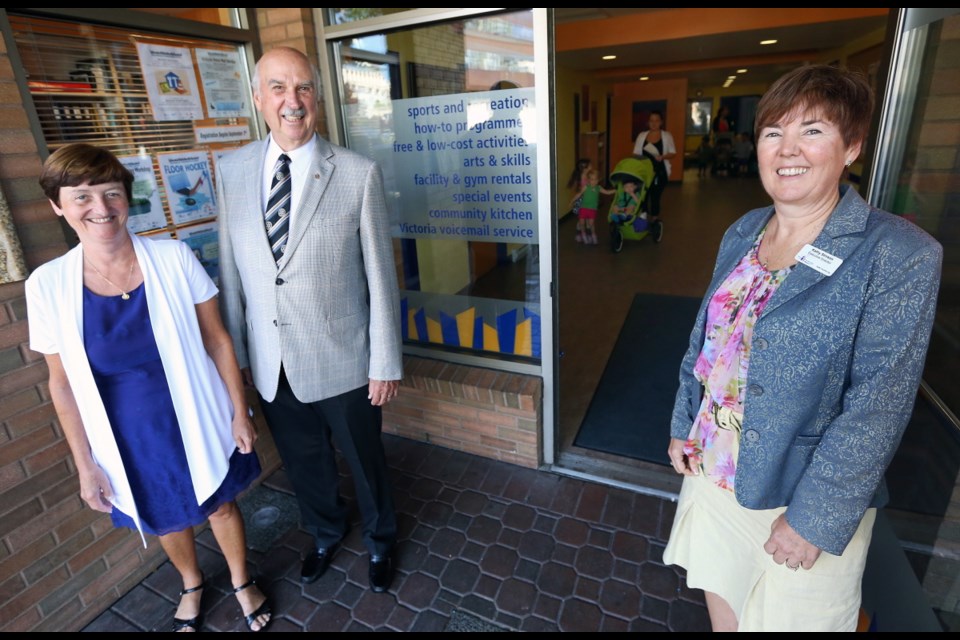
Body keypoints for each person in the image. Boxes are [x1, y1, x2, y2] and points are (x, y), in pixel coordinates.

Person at [663, 64, 942, 632]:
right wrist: (684, 421)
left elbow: (878, 405)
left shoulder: (899, 252)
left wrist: (815, 519)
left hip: (799, 493)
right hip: (714, 466)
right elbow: (708, 338)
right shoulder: (744, 229)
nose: (788, 149)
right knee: (724, 600)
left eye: (812, 131)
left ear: (853, 147)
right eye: (773, 132)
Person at [25, 144, 272, 632]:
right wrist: (85, 464)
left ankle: (242, 580)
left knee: (220, 503)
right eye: (81, 197)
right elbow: (63, 385)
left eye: (111, 193)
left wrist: (239, 412)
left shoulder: (172, 257)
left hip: (197, 410)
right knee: (164, 515)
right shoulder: (46, 285)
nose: (100, 208)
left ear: (126, 198)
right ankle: (192, 582)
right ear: (58, 205)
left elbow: (218, 340)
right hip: (128, 433)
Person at [216, 47, 403, 594]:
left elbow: (381, 281)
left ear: (317, 99)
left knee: (365, 462)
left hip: (345, 358)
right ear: (258, 98)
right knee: (303, 463)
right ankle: (325, 530)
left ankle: (381, 539)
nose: (291, 101)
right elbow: (232, 275)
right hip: (272, 363)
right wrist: (239, 362)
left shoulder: (357, 173)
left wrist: (384, 361)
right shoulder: (231, 171)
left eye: (302, 89)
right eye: (277, 87)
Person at [631, 110, 673, 241]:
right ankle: (643, 220)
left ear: (661, 122)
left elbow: (673, 153)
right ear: (648, 122)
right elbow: (636, 154)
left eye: (656, 120)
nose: (654, 123)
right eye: (651, 121)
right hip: (644, 172)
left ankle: (655, 221)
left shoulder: (666, 136)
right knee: (643, 195)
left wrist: (663, 156)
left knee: (655, 196)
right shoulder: (642, 136)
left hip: (660, 172)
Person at [569, 168, 615, 245]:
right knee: (581, 222)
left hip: (592, 209)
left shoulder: (598, 188)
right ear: (588, 180)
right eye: (591, 179)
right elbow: (579, 194)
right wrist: (572, 201)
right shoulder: (586, 187)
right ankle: (583, 235)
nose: (593, 181)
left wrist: (615, 190)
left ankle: (593, 235)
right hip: (583, 208)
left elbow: (607, 192)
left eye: (595, 179)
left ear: (598, 180)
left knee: (591, 223)